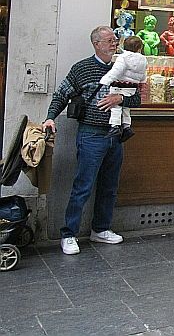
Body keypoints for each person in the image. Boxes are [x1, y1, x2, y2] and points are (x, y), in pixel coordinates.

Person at [44, 26, 142, 255]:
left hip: (116, 135)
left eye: (115, 40)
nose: (114, 44)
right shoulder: (82, 69)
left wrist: (121, 98)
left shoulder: (126, 68)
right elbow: (61, 94)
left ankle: (101, 229)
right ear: (96, 44)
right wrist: (50, 117)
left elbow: (137, 98)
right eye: (109, 40)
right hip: (91, 134)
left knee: (110, 185)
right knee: (83, 186)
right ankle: (68, 233)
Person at [99, 35, 147, 143]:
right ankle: (127, 126)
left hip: (120, 85)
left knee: (115, 105)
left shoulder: (123, 57)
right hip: (132, 87)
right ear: (139, 48)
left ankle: (115, 126)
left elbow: (116, 71)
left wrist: (105, 81)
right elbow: (143, 75)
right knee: (126, 108)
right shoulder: (143, 60)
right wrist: (142, 83)